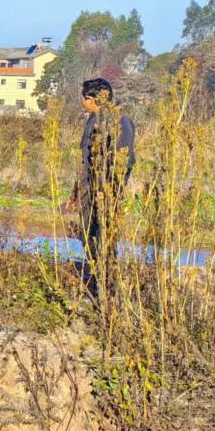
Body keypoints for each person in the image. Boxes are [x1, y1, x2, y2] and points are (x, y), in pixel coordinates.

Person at [65, 76, 135, 297]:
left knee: (97, 236)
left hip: (101, 190)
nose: (82, 104)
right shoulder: (114, 120)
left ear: (91, 98)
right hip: (102, 189)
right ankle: (104, 285)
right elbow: (91, 159)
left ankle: (102, 287)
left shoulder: (107, 121)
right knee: (99, 236)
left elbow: (101, 160)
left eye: (83, 99)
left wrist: (94, 191)